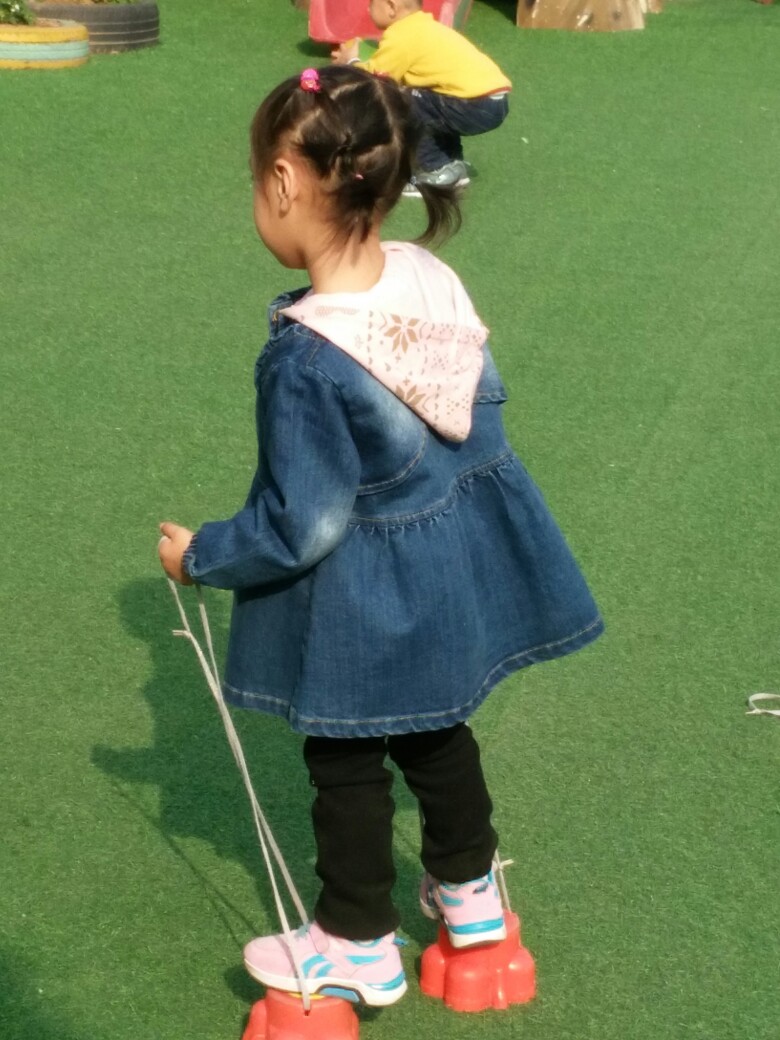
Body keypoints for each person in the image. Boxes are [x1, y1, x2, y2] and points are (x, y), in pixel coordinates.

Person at [158, 64, 602, 1008]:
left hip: (367, 596)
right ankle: (473, 902)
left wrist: (200, 555)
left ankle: (356, 937)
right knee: (440, 735)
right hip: (453, 566)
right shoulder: (428, 277)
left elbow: (304, 522)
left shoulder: (311, 357)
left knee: (346, 759)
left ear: (286, 181)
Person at [332, 0, 511, 194]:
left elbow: (377, 79)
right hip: (490, 101)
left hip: (474, 104)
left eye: (372, 3)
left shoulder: (401, 36)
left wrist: (350, 61)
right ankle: (451, 164)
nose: (368, 8)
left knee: (407, 101)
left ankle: (433, 169)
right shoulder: (423, 27)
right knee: (432, 106)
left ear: (391, 7)